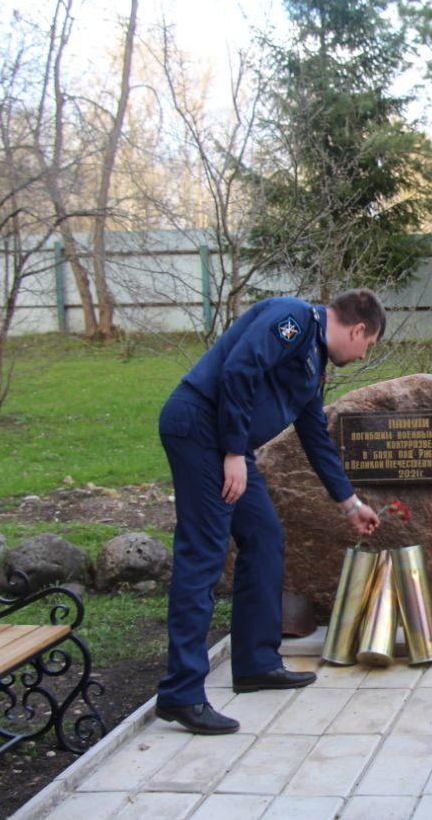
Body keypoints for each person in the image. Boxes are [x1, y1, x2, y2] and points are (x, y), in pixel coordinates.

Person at [155, 289, 384, 735]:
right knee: (203, 556)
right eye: (368, 346)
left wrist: (350, 504)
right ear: (358, 329)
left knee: (264, 538)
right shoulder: (293, 318)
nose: (362, 355)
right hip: (201, 431)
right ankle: (181, 693)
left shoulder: (313, 358)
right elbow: (239, 370)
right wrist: (234, 451)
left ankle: (256, 662)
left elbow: (315, 433)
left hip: (225, 444)